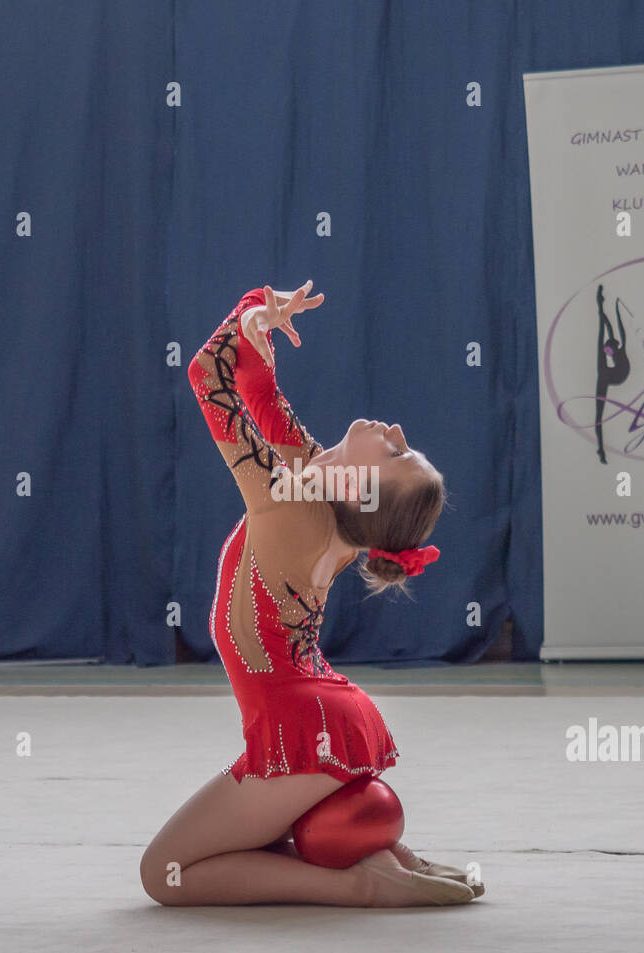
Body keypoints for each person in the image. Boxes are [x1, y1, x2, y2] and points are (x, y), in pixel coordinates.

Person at [139, 282, 481, 907]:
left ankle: (358, 886)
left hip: (297, 724)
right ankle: (385, 856)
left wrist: (243, 317)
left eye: (398, 452)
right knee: (225, 844)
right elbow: (260, 395)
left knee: (165, 872)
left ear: (365, 490)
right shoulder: (311, 482)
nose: (397, 429)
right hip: (321, 710)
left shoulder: (292, 504)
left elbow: (205, 379)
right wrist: (260, 326)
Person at [594, 284, 631, 464]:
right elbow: (606, 326)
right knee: (598, 416)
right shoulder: (617, 350)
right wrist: (601, 304)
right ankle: (600, 448)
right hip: (611, 375)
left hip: (613, 374)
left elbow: (611, 327)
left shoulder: (620, 349)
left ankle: (600, 447)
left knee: (598, 416)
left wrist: (605, 306)